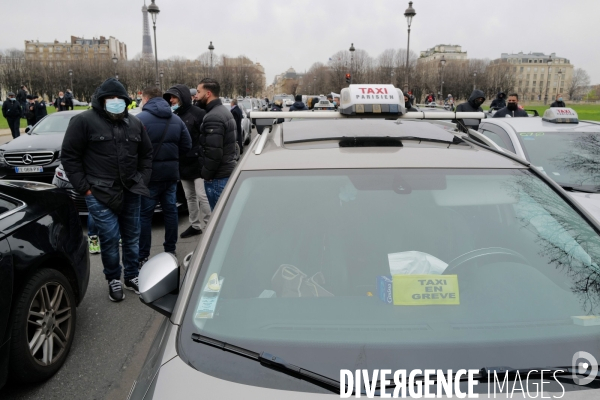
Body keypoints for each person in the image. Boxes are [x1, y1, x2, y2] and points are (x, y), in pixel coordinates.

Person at [61, 78, 153, 302]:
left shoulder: (134, 124)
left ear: (125, 101)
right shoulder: (83, 121)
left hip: (130, 190)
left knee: (132, 237)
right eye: (110, 99)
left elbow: (146, 154)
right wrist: (85, 189)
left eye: (119, 99)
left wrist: (141, 179)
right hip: (99, 193)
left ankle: (131, 275)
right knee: (110, 239)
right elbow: (70, 156)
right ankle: (113, 278)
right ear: (101, 101)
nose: (115, 102)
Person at [137, 86, 192, 267]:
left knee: (145, 216)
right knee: (171, 212)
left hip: (149, 176)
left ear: (145, 99)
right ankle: (170, 250)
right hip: (170, 175)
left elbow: (131, 149)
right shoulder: (176, 120)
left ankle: (143, 254)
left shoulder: (139, 120)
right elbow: (187, 145)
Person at [163, 84, 211, 238]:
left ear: (182, 97)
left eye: (174, 97)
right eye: (170, 97)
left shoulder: (198, 114)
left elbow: (206, 138)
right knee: (189, 197)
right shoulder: (173, 115)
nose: (171, 100)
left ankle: (210, 226)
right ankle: (195, 225)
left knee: (202, 196)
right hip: (182, 164)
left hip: (198, 163)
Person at [195, 78, 237, 210]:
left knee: (219, 220)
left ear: (208, 94)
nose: (196, 96)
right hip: (223, 174)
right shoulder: (222, 111)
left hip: (217, 178)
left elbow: (214, 152)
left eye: (198, 92)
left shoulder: (213, 116)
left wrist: (206, 175)